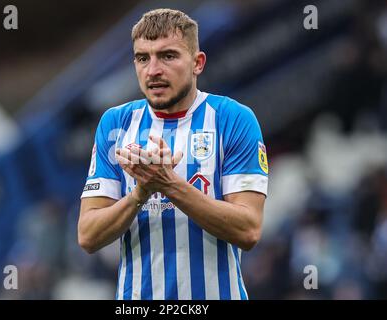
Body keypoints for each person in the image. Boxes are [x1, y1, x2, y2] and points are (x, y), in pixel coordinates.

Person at [78, 8, 268, 300]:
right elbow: (88, 235)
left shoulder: (232, 119)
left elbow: (248, 229)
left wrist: (168, 183)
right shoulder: (116, 124)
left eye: (168, 56)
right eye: (143, 58)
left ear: (197, 63)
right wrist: (139, 194)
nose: (153, 70)